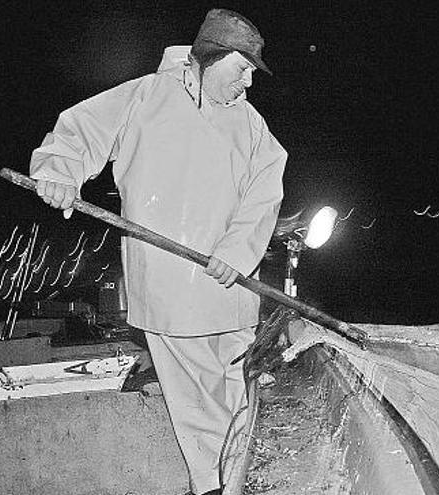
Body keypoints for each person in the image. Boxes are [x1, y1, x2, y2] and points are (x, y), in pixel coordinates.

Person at [30, 9, 286, 495]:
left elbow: (265, 193)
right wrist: (61, 174)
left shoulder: (251, 125)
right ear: (209, 59)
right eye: (243, 68)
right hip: (168, 285)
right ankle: (220, 486)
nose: (248, 82)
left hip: (229, 287)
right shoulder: (145, 96)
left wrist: (236, 250)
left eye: (252, 72)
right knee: (198, 406)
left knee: (239, 388)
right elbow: (80, 131)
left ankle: (250, 473)